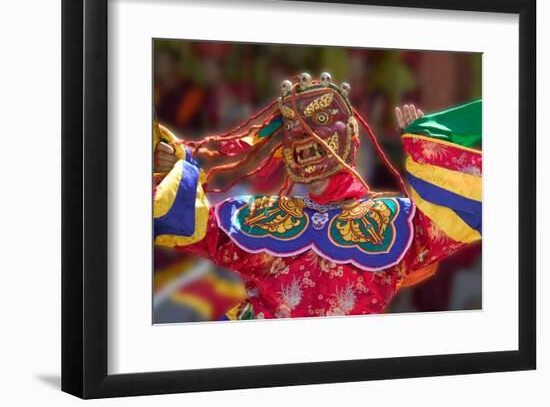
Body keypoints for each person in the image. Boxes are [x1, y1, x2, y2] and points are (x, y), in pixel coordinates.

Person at [153, 72, 482, 319]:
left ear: (351, 134)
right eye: (293, 126)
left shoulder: (396, 218)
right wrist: (176, 170)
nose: (303, 134)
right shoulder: (262, 213)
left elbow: (454, 219)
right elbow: (191, 225)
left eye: (321, 119)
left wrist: (425, 146)